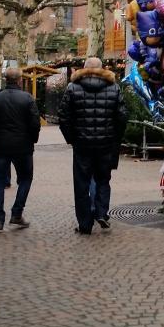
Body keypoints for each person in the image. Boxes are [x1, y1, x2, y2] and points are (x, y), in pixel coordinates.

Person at [58, 57, 128, 235]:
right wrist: (115, 138)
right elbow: (122, 117)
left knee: (81, 184)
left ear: (83, 68)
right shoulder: (114, 87)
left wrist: (71, 138)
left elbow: (63, 117)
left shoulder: (73, 88)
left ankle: (85, 224)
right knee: (103, 180)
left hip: (82, 145)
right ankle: (102, 212)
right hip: (105, 144)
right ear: (102, 68)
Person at [0, 66, 41, 232]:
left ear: (5, 80)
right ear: (20, 80)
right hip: (23, 146)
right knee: (25, 178)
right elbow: (35, 123)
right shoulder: (28, 98)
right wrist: (32, 140)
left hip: (1, 145)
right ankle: (16, 212)